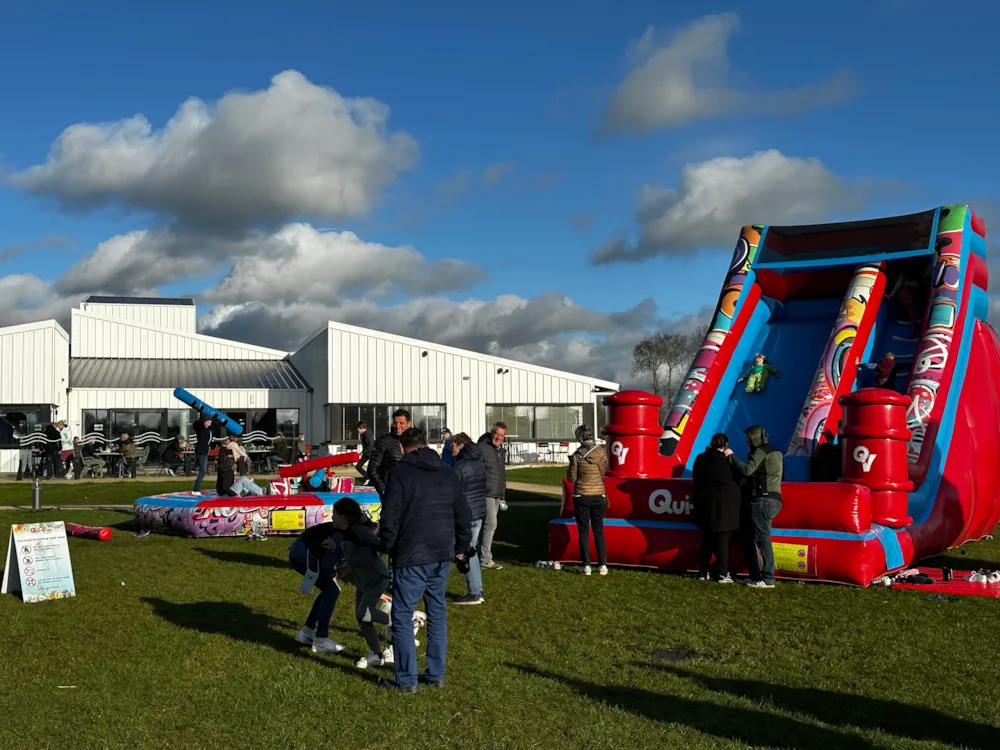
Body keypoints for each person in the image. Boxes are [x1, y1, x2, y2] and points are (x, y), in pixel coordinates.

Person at [378, 427, 472, 692]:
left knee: (403, 613)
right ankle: (435, 673)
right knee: (437, 611)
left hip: (411, 553)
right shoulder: (447, 472)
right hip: (441, 552)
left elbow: (390, 517)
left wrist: (384, 545)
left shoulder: (400, 474)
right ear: (427, 444)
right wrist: (461, 547)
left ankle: (407, 679)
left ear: (402, 449)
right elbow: (464, 515)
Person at [332, 497, 395, 668]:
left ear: (345, 516)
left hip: (376, 578)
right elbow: (352, 560)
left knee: (363, 613)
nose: (333, 517)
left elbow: (384, 546)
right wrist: (339, 573)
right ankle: (376, 654)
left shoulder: (360, 532)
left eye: (335, 514)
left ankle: (399, 621)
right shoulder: (345, 534)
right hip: (362, 581)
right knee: (362, 619)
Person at [726, 425, 783, 589]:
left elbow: (747, 470)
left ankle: (767, 578)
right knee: (755, 536)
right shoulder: (775, 451)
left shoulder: (760, 451)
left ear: (753, 437)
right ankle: (757, 576)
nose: (746, 441)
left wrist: (731, 457)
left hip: (763, 499)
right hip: (775, 498)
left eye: (747, 438)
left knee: (762, 539)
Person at [288, 519, 346, 654]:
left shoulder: (341, 532)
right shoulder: (339, 535)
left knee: (329, 590)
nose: (333, 517)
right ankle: (321, 639)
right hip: (303, 555)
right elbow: (327, 562)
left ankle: (307, 632)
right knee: (332, 591)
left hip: (300, 552)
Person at [693, 434, 742, 583]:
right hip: (726, 504)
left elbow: (696, 477)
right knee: (722, 540)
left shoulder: (701, 458)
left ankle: (703, 571)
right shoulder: (728, 460)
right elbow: (743, 475)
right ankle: (722, 573)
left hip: (704, 503)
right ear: (725, 445)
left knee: (707, 539)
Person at [566, 424, 610, 576]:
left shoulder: (577, 455)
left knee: (583, 532)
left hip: (582, 496)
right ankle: (603, 565)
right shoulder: (602, 453)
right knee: (599, 531)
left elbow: (571, 478)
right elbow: (604, 471)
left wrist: (572, 463)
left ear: (579, 437)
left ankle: (586, 566)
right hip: (599, 495)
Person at [450, 432, 486, 604]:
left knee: (465, 551)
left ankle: (474, 592)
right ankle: (476, 589)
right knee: (471, 550)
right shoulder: (478, 462)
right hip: (478, 511)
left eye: (453, 445)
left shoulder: (460, 466)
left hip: (466, 514)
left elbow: (454, 492)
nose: (451, 448)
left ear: (460, 445)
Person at [477, 422, 507, 571]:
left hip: (496, 494)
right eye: (497, 434)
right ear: (491, 433)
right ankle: (485, 559)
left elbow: (502, 475)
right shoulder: (482, 448)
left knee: (486, 526)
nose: (499, 437)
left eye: (502, 435)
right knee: (490, 525)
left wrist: (503, 495)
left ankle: (479, 555)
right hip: (486, 493)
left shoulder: (501, 451)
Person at [368, 409, 411, 497]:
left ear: (409, 424)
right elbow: (372, 469)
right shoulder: (383, 441)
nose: (397, 426)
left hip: (410, 493)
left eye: (401, 423)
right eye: (395, 423)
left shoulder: (414, 441)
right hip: (391, 493)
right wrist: (383, 490)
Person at [192, 413, 213, 491]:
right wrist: (201, 415)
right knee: (203, 471)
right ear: (204, 421)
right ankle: (196, 489)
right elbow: (196, 424)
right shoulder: (201, 428)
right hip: (202, 451)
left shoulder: (207, 430)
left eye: (210, 423)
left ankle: (195, 466)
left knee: (202, 470)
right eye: (208, 422)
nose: (209, 424)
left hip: (202, 451)